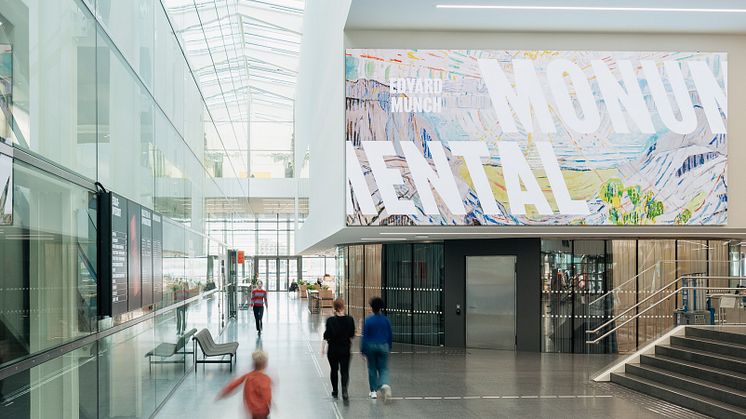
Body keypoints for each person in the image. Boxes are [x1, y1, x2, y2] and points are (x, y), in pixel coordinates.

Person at [217, 350, 272, 419]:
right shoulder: (265, 379)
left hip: (251, 409)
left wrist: (224, 392)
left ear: (253, 364)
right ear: (265, 364)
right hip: (262, 411)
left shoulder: (248, 376)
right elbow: (267, 394)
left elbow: (234, 384)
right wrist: (269, 403)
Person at [321, 298, 355, 401]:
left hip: (333, 350)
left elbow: (326, 336)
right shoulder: (350, 319)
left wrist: (322, 348)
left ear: (334, 307)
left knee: (334, 370)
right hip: (345, 349)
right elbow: (352, 335)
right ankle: (344, 389)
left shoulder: (330, 320)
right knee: (344, 371)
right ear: (343, 307)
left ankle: (335, 390)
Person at [360, 296, 392, 401]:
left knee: (372, 368)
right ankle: (384, 384)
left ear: (372, 307)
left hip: (371, 347)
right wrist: (389, 347)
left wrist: (363, 350)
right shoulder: (386, 320)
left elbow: (365, 336)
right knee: (383, 368)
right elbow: (390, 335)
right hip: (384, 346)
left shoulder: (368, 321)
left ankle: (373, 391)